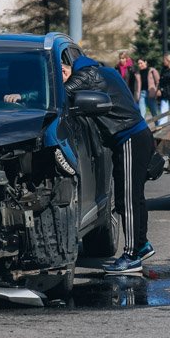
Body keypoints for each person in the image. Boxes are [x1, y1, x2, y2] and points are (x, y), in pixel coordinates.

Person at [63, 54, 156, 274]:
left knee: (130, 199)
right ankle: (141, 245)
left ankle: (132, 255)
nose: (63, 75)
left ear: (71, 67)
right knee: (130, 197)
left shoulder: (88, 74)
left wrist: (26, 95)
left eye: (63, 71)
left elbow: (62, 95)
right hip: (135, 136)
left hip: (128, 138)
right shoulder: (106, 71)